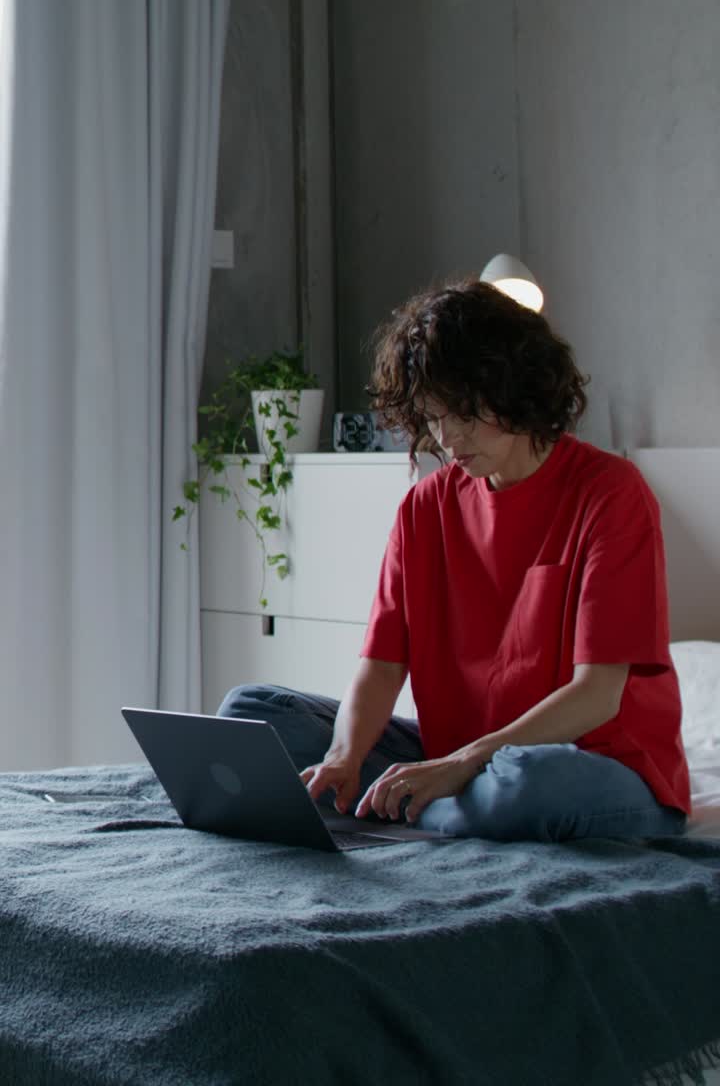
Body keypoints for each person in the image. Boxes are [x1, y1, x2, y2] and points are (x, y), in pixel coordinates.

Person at [217, 278, 690, 842]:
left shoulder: (611, 493)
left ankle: (415, 805)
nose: (447, 438)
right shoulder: (425, 507)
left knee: (520, 785)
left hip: (592, 762)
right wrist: (345, 756)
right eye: (432, 417)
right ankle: (419, 801)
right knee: (251, 711)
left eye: (463, 415)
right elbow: (382, 667)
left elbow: (598, 693)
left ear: (516, 387)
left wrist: (464, 762)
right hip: (456, 755)